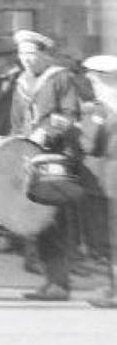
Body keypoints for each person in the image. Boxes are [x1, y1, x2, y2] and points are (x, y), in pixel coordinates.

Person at [10, 29, 82, 301]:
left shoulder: (60, 77)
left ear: (42, 54)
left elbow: (69, 114)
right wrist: (17, 145)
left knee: (57, 220)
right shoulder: (21, 82)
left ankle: (60, 283)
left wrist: (47, 132)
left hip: (56, 158)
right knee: (38, 220)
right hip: (31, 157)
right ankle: (49, 280)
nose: (26, 59)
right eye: (22, 54)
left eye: (31, 54)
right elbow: (16, 122)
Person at [78, 53, 116, 309]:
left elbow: (91, 146)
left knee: (111, 236)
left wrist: (75, 130)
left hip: (108, 180)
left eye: (93, 78)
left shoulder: (102, 110)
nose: (90, 82)